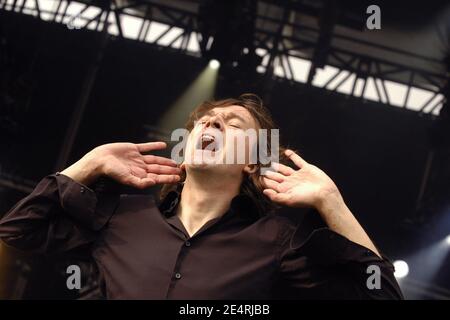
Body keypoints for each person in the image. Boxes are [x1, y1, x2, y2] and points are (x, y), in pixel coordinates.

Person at [0, 94, 403, 299]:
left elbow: (382, 293)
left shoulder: (276, 243)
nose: (210, 122)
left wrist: (331, 202)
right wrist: (87, 165)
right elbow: (17, 231)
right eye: (204, 121)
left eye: (232, 123)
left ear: (251, 162)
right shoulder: (120, 217)